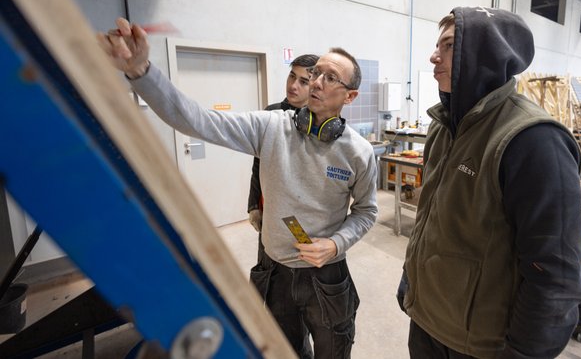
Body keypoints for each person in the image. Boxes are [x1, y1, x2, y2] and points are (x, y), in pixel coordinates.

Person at [98, 18, 378, 359]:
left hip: (327, 276)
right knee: (283, 351)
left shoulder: (358, 152)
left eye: (330, 77)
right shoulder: (271, 127)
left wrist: (336, 244)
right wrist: (141, 70)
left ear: (350, 96)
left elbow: (366, 211)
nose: (316, 82)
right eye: (315, 72)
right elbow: (197, 120)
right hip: (274, 272)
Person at [397, 7, 581, 358]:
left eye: (450, 45)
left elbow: (555, 271)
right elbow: (430, 219)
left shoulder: (533, 140)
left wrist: (525, 353)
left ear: (484, 54)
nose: (434, 55)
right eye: (438, 44)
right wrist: (411, 281)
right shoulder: (442, 126)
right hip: (426, 322)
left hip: (480, 344)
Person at [247, 53, 318, 234]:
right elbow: (258, 164)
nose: (293, 86)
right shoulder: (271, 114)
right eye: (292, 76)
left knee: (300, 255)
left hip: (303, 211)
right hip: (271, 206)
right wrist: (254, 205)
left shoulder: (321, 122)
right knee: (268, 256)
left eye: (303, 81)